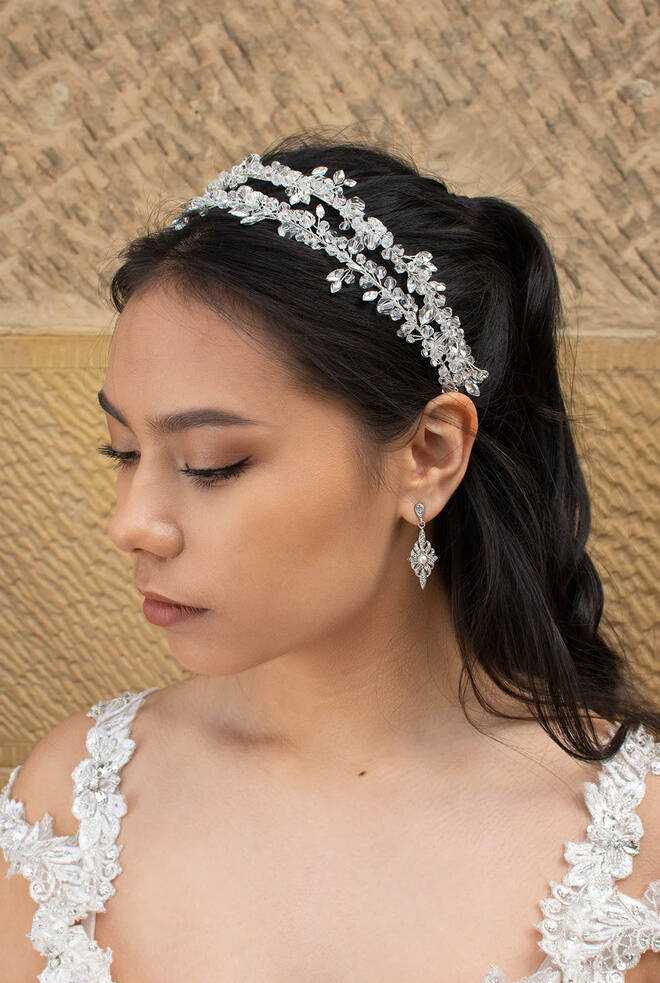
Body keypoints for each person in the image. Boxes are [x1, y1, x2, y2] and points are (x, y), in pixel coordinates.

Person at [1, 131, 658, 982]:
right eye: (123, 451)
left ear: (426, 452)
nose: (133, 522)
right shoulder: (73, 808)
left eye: (212, 463)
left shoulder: (632, 855)